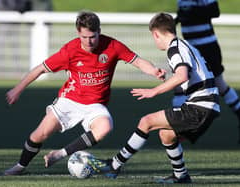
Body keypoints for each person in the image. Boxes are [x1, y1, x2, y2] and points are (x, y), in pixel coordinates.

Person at [4, 10, 164, 176]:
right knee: (39, 135)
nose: (89, 42)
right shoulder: (69, 51)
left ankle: (59, 154)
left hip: (95, 104)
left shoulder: (112, 46)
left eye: (93, 37)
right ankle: (20, 166)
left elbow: (137, 61)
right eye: (84, 37)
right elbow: (40, 69)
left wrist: (153, 70)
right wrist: (17, 89)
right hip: (70, 100)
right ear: (78, 33)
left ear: (99, 31)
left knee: (104, 127)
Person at [89, 12, 220, 184]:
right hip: (208, 106)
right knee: (166, 135)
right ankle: (181, 176)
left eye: (153, 37)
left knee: (146, 121)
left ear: (156, 34)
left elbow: (182, 75)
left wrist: (154, 91)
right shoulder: (184, 45)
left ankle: (115, 163)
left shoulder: (175, 48)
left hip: (200, 107)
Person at [175, 0, 240, 144]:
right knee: (180, 83)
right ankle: (178, 129)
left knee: (218, 84)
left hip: (207, 46)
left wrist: (189, 14)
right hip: (191, 47)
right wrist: (176, 20)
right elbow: (184, 15)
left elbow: (214, 11)